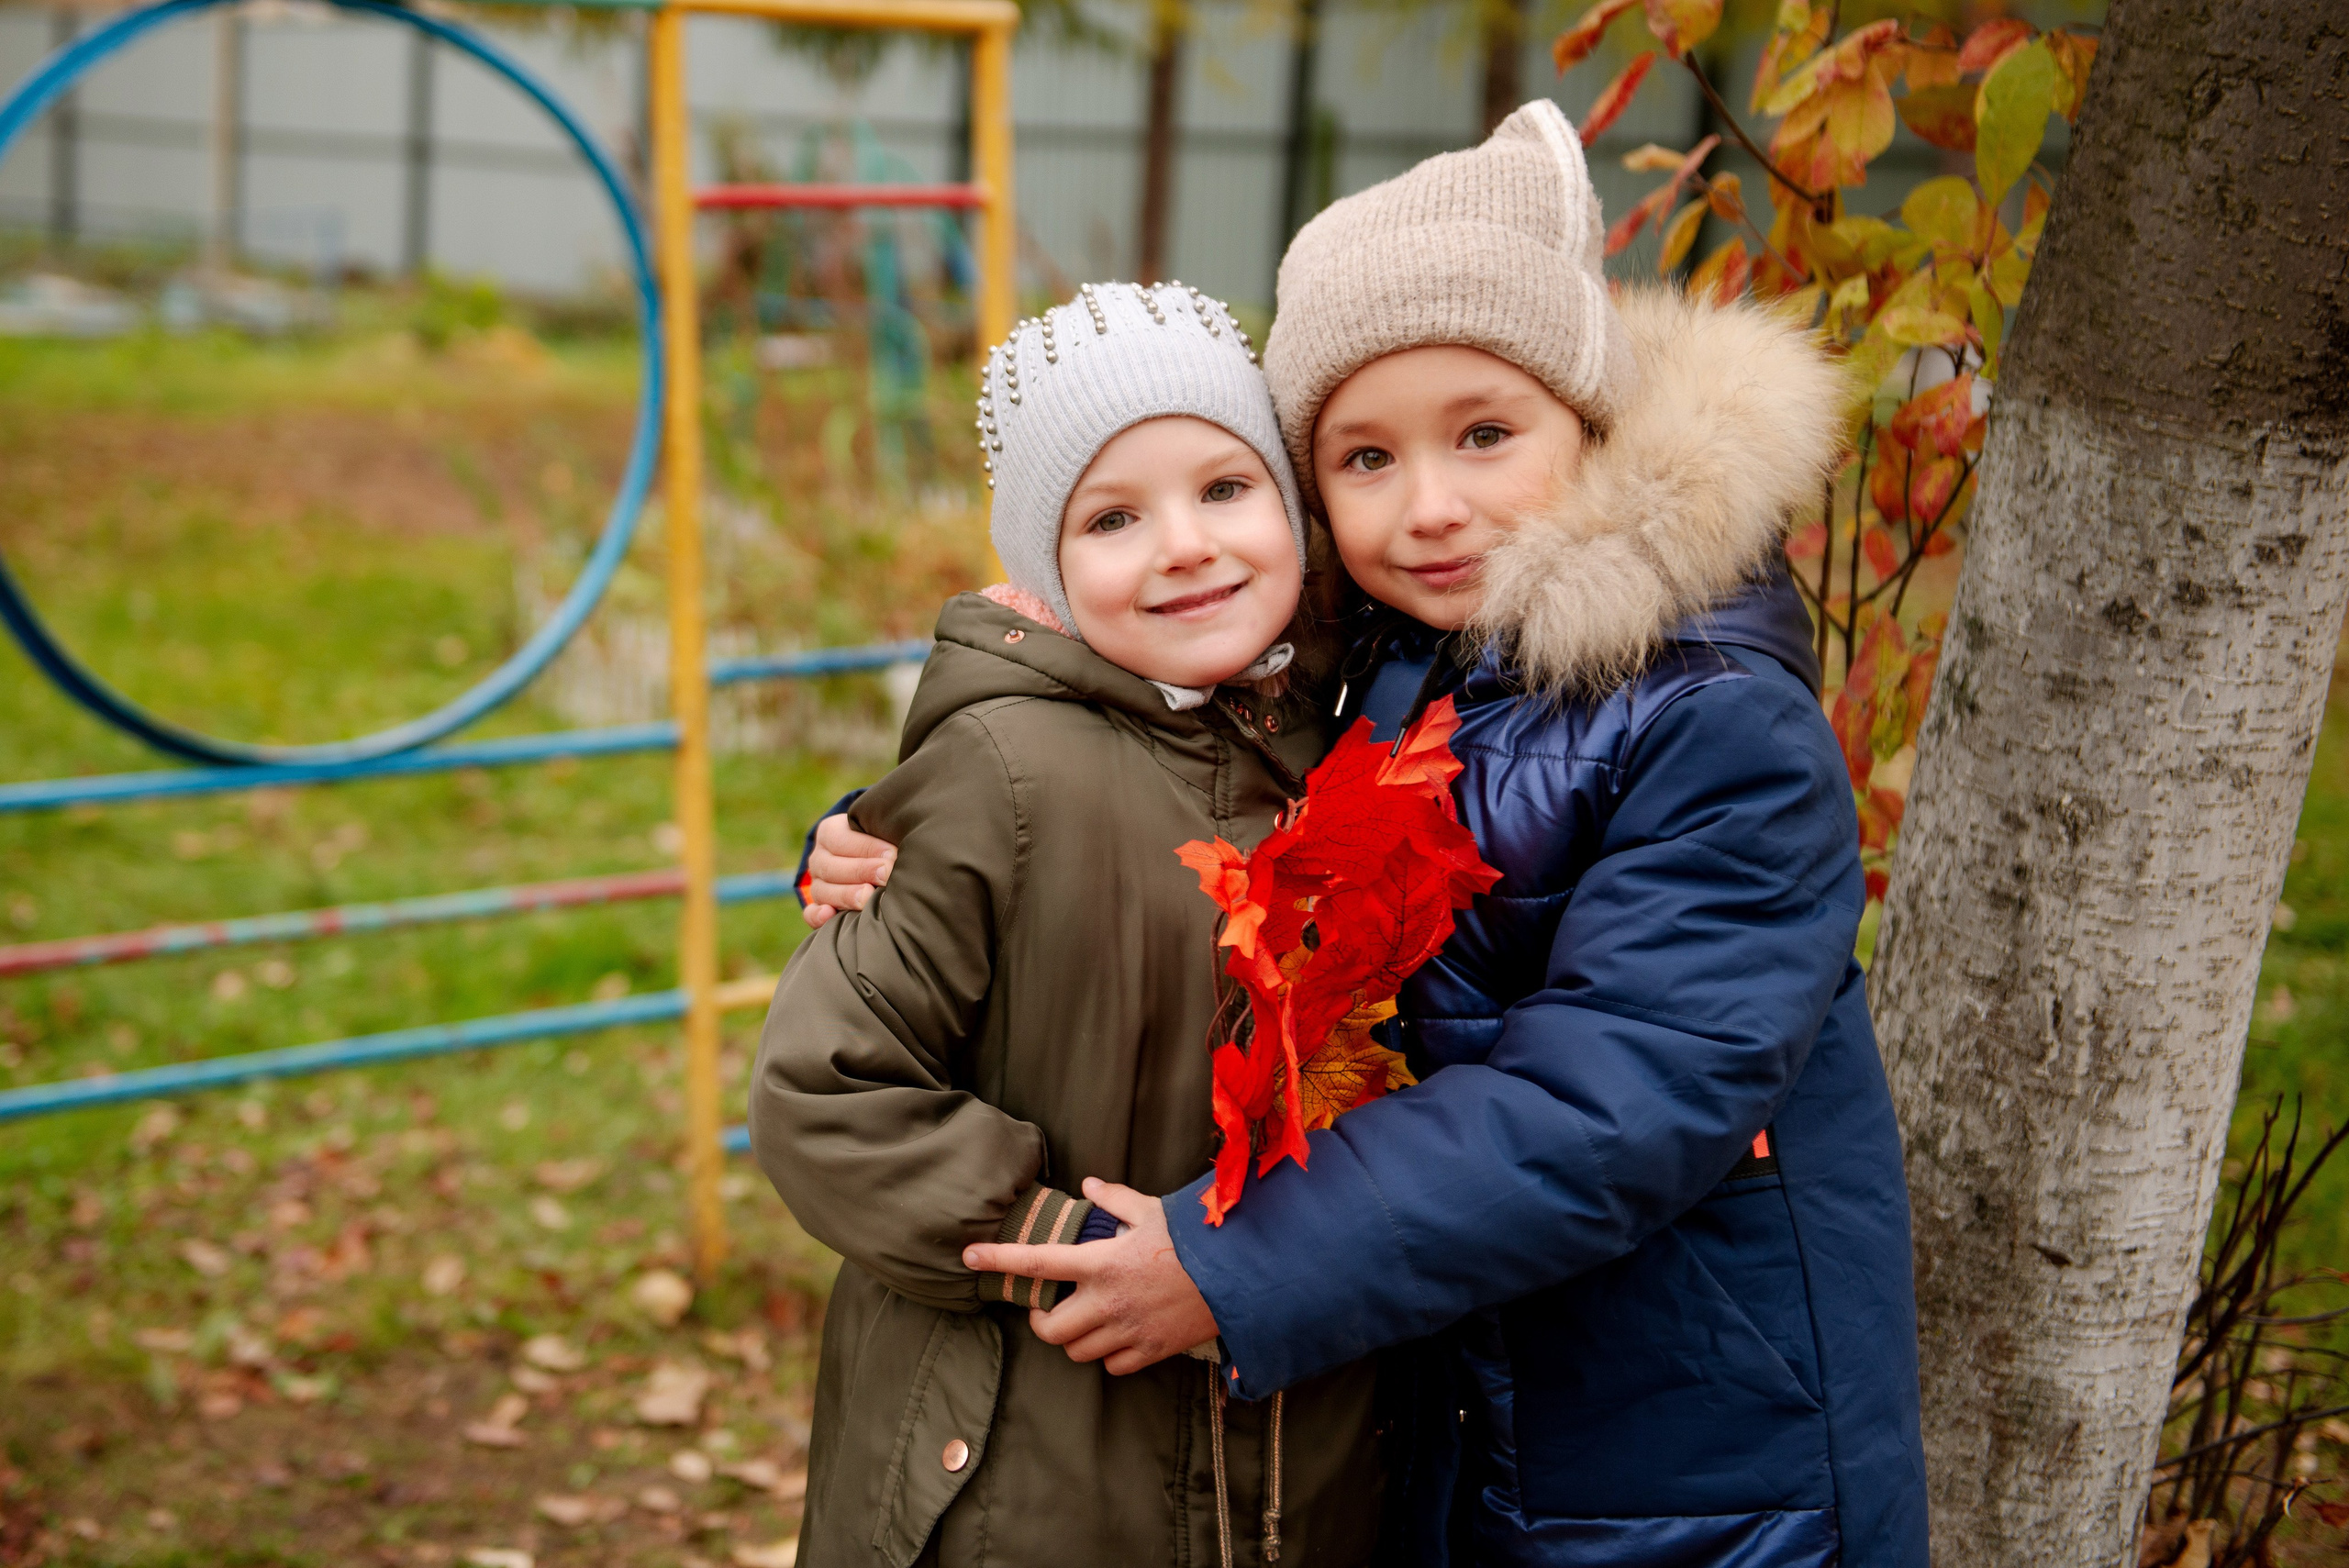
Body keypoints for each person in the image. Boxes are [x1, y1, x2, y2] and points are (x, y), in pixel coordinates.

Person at [801, 103, 1930, 1568]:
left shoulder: (1712, 720)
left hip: (1699, 1451)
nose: (1432, 506)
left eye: (1483, 434)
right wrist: (884, 837)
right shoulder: (1399, 662)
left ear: (1587, 421)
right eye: (1366, 459)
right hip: (1473, 1405)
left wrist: (1231, 1261)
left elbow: (1619, 1096)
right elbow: (1151, 764)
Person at [749, 279, 1381, 1568]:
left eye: (1224, 488)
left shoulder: (1356, 746)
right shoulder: (1000, 771)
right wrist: (1058, 1243)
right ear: (1047, 567)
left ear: (1291, 507)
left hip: (1294, 1466)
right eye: (1113, 516)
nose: (1186, 544)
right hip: (1025, 1466)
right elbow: (826, 1087)